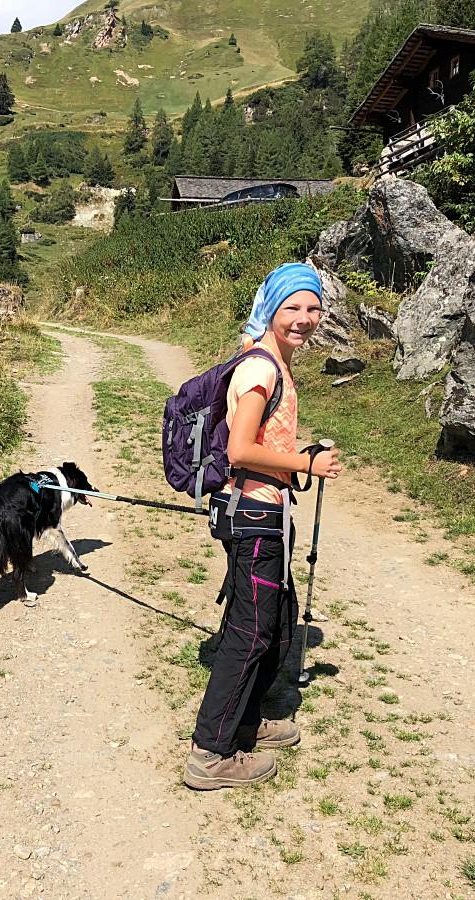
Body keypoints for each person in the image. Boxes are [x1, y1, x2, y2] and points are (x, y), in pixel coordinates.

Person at [184, 262, 343, 791]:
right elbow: (240, 449)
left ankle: (249, 723)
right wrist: (308, 465)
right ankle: (211, 752)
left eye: (313, 307)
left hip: (264, 512)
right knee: (250, 632)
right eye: (292, 307)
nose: (304, 318)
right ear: (271, 309)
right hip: (253, 515)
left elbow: (264, 446)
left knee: (275, 620)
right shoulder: (261, 370)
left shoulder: (276, 362)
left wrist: (298, 454)